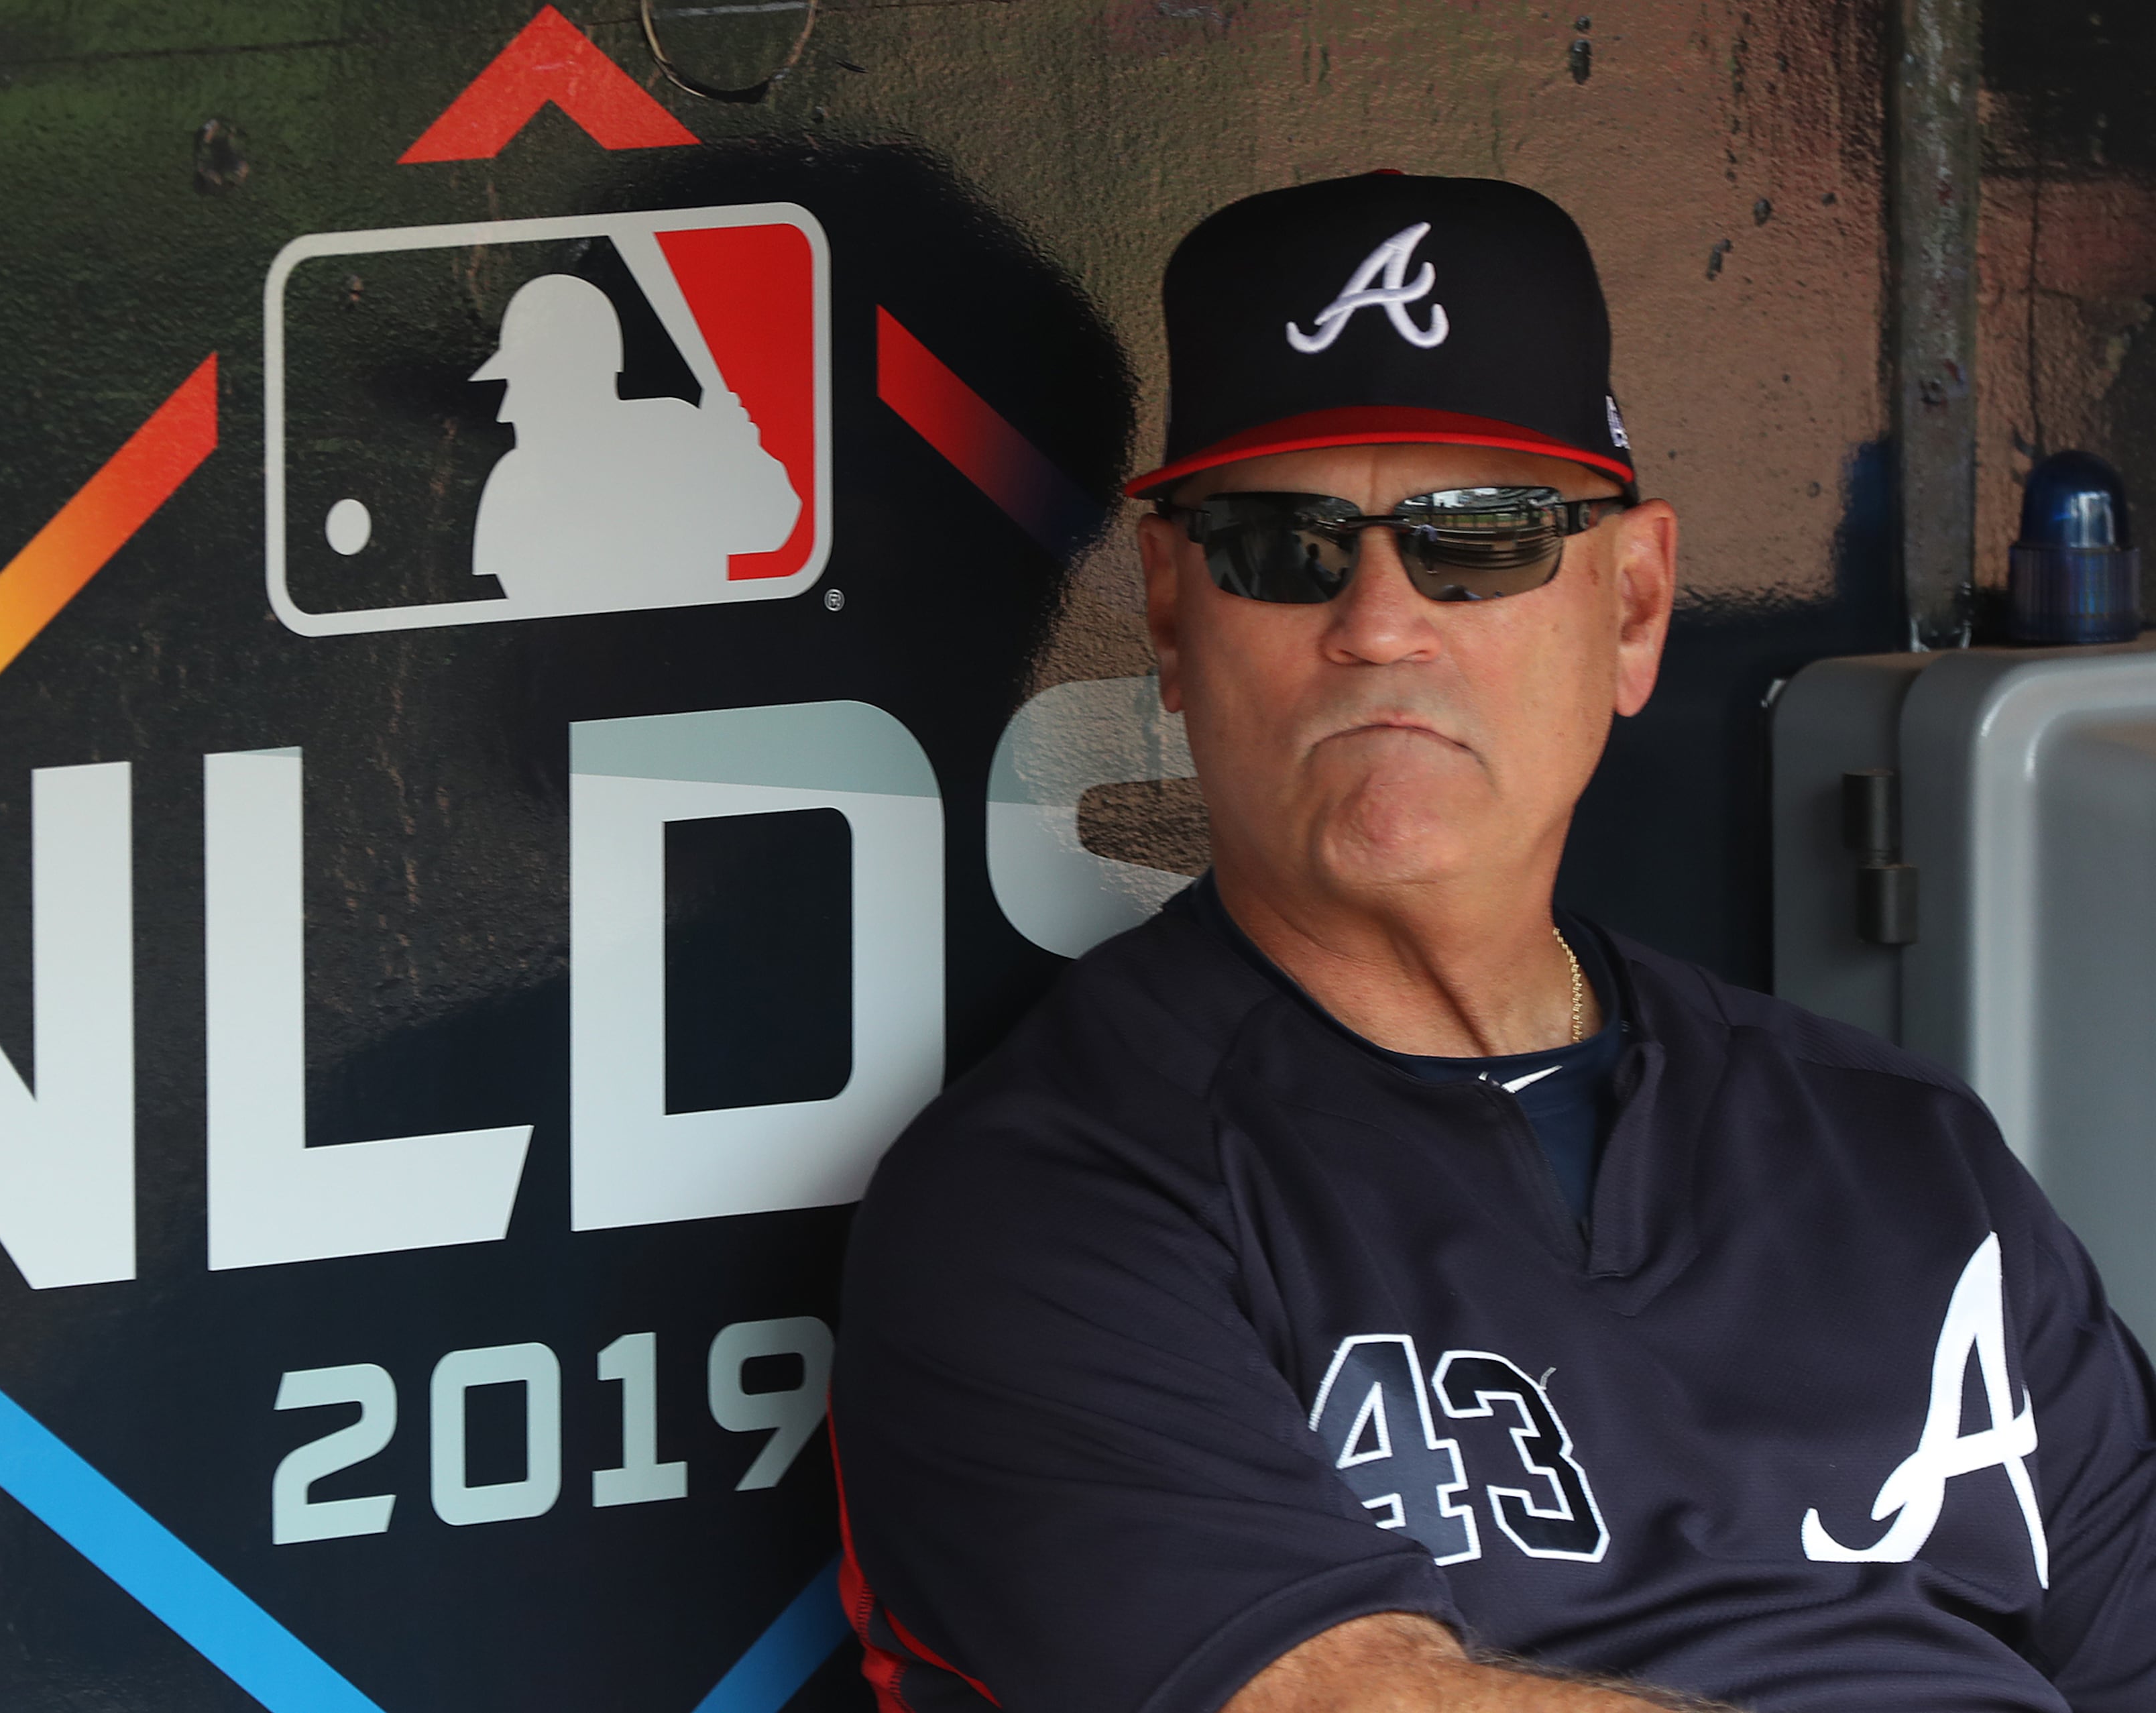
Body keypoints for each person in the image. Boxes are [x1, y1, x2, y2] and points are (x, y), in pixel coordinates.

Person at [830, 173, 2156, 1712]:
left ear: (1634, 603)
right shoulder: (1040, 1204)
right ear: (1176, 620)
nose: (1382, 621)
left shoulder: (1904, 1153)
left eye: (1485, 535)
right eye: (1283, 542)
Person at [469, 271, 797, 612]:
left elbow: (771, 529)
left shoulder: (677, 432)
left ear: (573, 378)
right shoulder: (517, 481)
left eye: (523, 383)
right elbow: (512, 605)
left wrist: (736, 457)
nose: (506, 412)